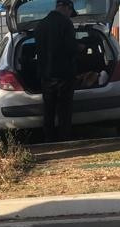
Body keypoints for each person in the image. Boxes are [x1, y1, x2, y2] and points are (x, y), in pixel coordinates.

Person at [34, 0, 79, 141]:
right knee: (64, 111)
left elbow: (38, 50)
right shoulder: (66, 23)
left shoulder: (40, 25)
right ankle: (64, 139)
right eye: (71, 13)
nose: (70, 15)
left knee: (49, 111)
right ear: (67, 7)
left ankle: (49, 140)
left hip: (46, 76)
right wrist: (81, 48)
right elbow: (71, 48)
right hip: (64, 75)